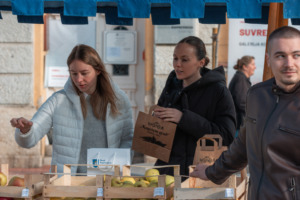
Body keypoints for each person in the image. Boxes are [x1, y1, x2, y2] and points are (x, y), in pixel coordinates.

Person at [190, 26, 300, 200]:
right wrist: (212, 171)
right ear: (268, 59)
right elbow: (243, 144)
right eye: (280, 56)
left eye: (296, 55)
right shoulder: (257, 95)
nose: (289, 64)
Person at [10, 44, 134, 173]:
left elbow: (127, 139)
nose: (79, 79)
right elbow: (32, 135)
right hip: (67, 182)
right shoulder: (58, 100)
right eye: (73, 74)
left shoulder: (118, 99)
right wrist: (26, 131)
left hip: (106, 180)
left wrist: (119, 169)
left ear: (98, 70)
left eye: (84, 73)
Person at [153, 36, 236, 178]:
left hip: (201, 173)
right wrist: (154, 122)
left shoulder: (218, 91)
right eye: (175, 58)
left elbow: (226, 136)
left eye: (184, 60)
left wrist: (183, 118)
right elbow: (159, 136)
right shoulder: (171, 87)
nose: (177, 64)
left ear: (201, 62)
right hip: (167, 172)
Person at [229, 55, 256, 137]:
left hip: (239, 123)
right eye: (252, 64)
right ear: (245, 67)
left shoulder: (241, 78)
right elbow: (242, 102)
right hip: (239, 124)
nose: (255, 67)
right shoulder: (240, 79)